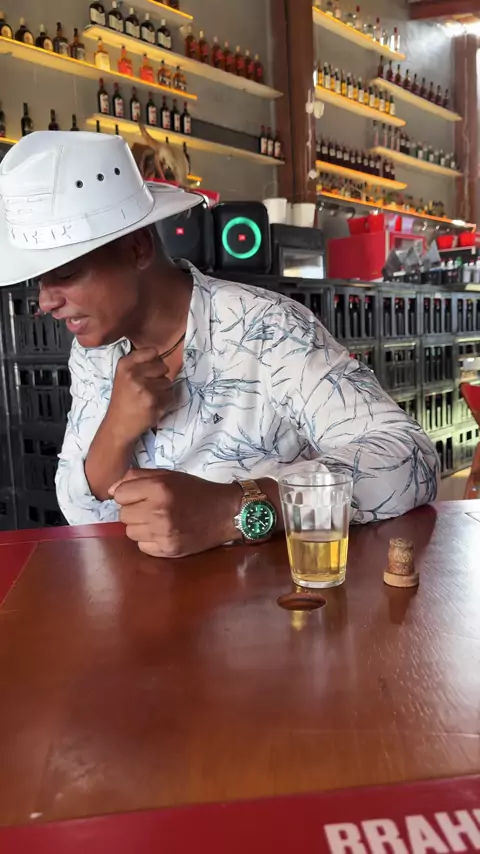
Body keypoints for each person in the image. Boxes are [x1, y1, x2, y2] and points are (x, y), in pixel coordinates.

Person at [0, 132, 438, 557]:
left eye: (66, 273)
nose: (45, 301)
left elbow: (410, 458)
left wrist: (233, 509)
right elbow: (79, 510)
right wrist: (115, 430)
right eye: (39, 280)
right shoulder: (93, 352)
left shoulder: (265, 329)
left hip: (275, 597)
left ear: (136, 248)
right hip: (142, 600)